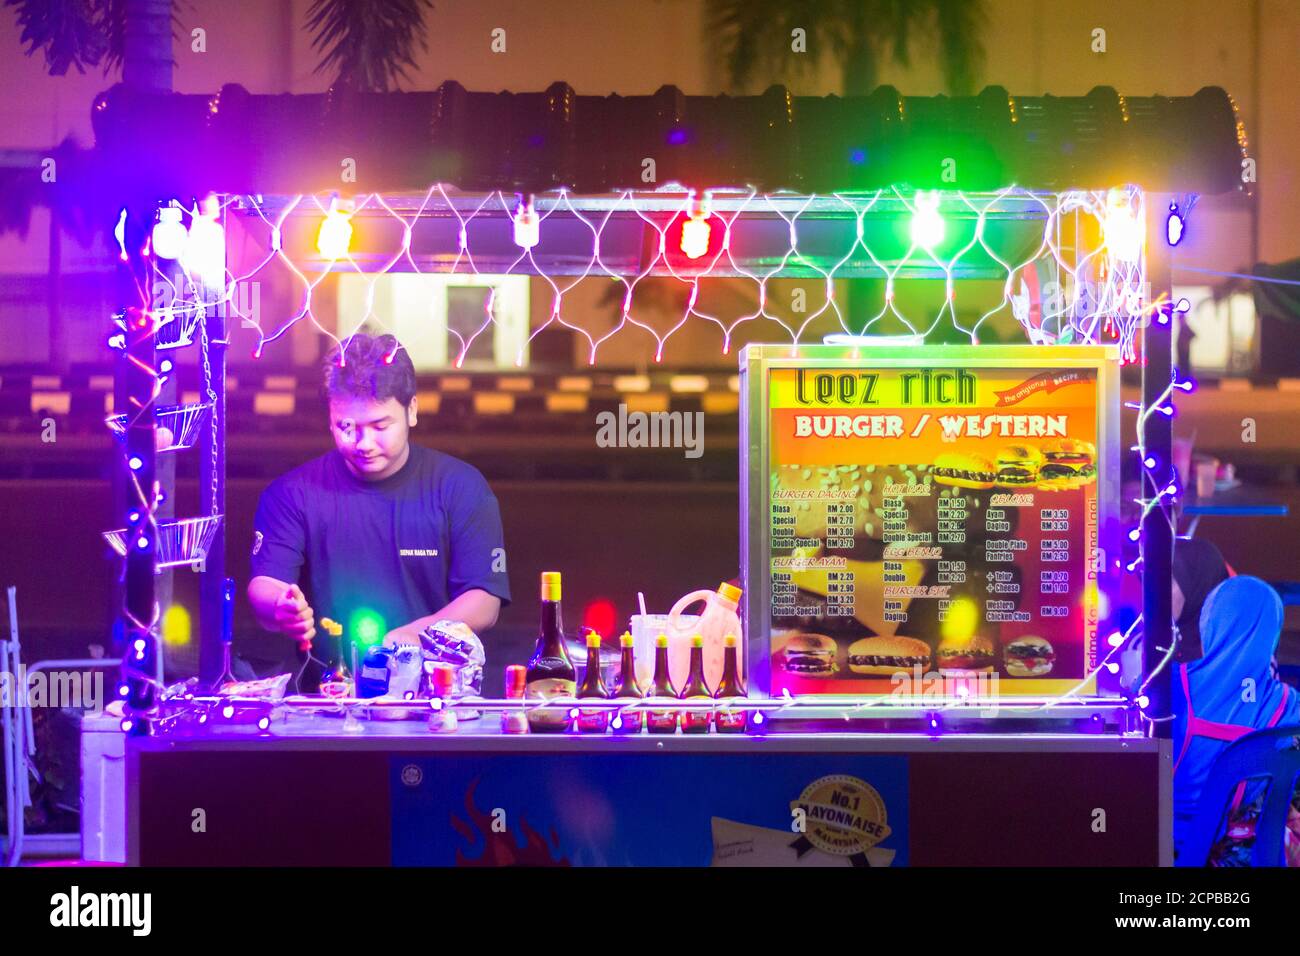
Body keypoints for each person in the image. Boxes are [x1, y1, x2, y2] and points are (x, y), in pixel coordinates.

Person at [247, 332, 510, 678]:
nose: (363, 443)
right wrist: (281, 604)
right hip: (329, 693)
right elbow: (265, 584)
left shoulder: (460, 487)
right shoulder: (293, 493)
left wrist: (413, 635)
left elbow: (484, 600)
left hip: (437, 691)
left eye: (380, 425)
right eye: (346, 427)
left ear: (412, 410)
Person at [1172, 575, 1299, 863]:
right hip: (1247, 855)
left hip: (1168, 847)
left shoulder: (1172, 684)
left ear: (1210, 622)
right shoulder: (1286, 703)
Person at [1171, 536, 1231, 663]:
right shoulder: (1147, 643)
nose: (1158, 590)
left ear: (1198, 583)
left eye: (1169, 582)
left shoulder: (1235, 647)